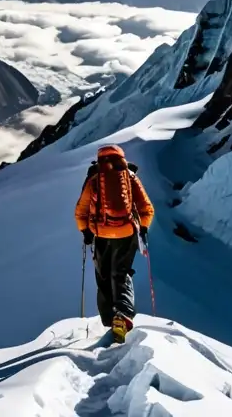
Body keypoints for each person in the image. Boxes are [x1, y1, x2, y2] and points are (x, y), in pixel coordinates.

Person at [74, 144, 154, 343]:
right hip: (126, 233)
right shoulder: (130, 177)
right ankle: (124, 315)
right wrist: (143, 228)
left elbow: (81, 210)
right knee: (121, 272)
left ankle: (109, 319)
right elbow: (147, 208)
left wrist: (85, 232)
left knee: (103, 274)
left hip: (101, 234)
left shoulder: (94, 179)